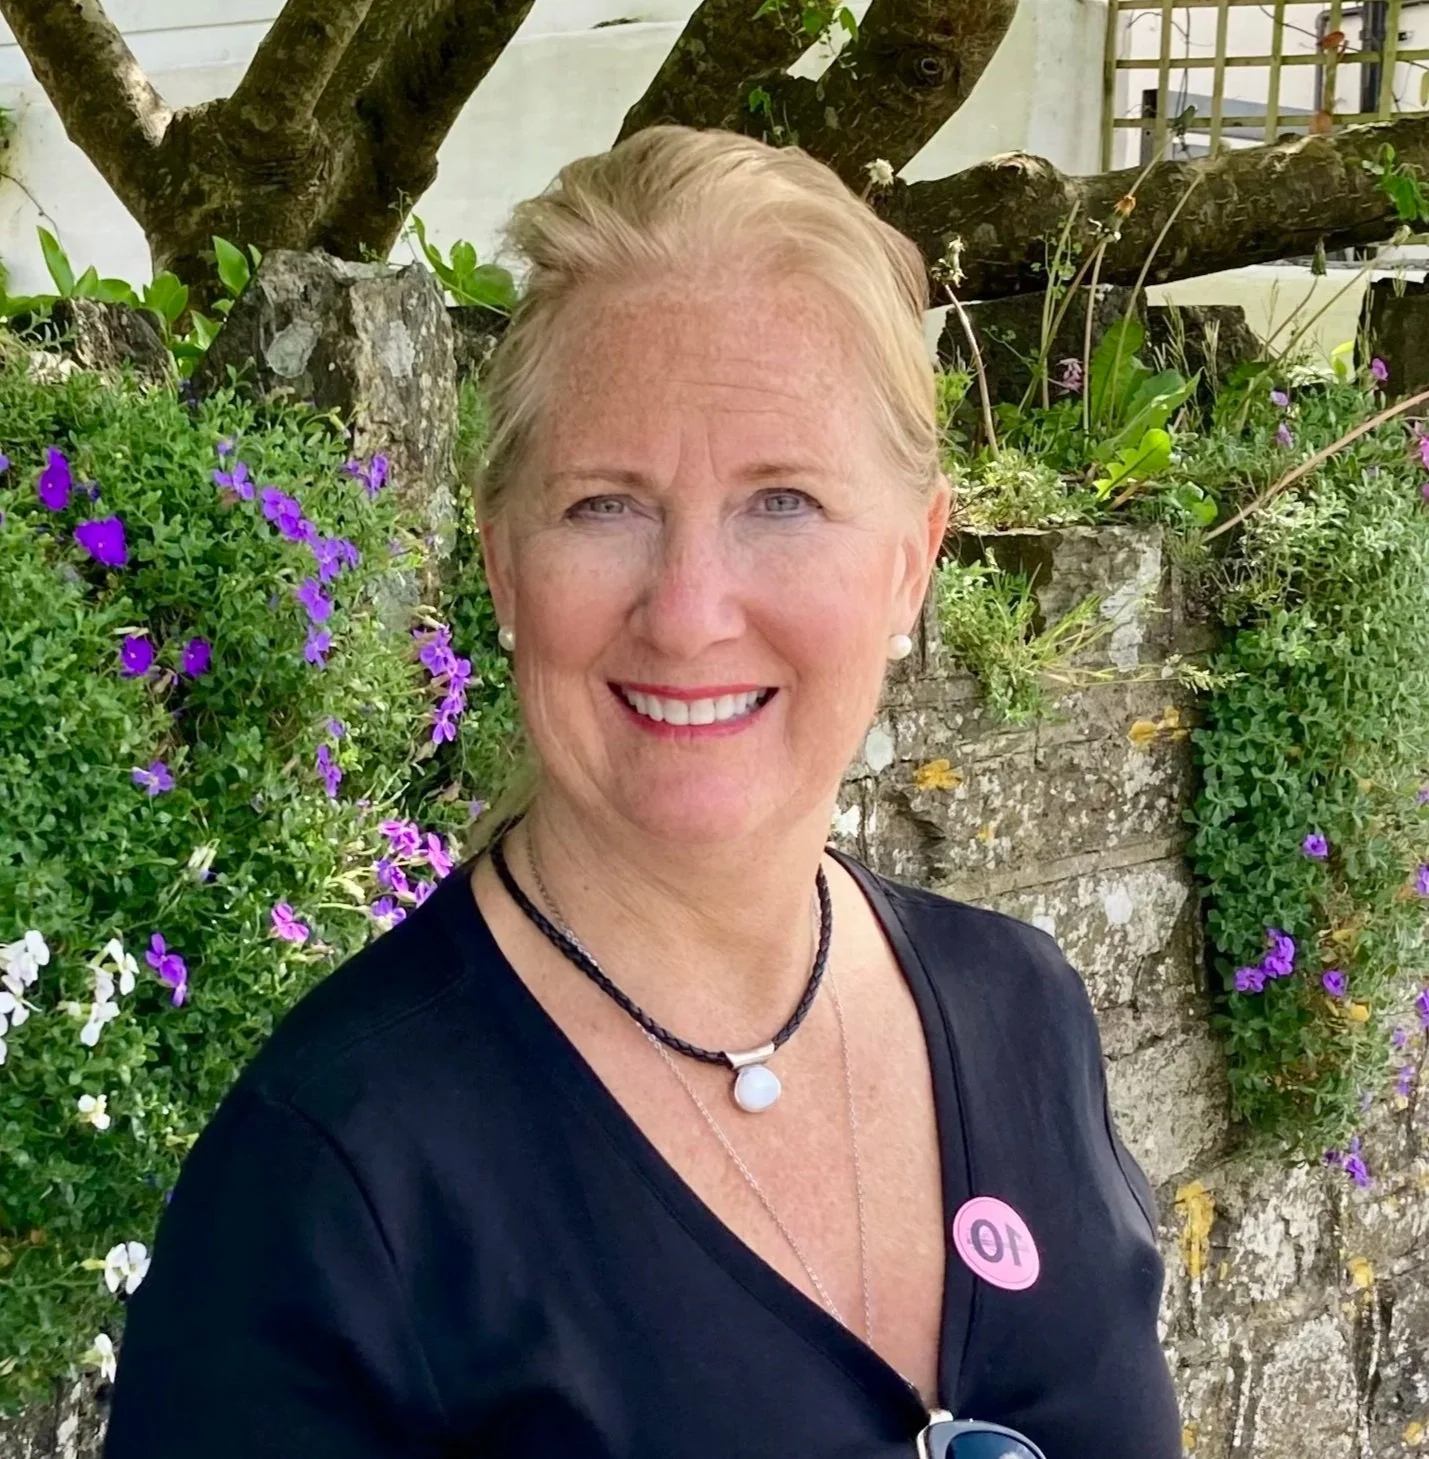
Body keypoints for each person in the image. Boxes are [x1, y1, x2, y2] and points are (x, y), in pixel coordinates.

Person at [104, 126, 1181, 1459]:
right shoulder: (336, 1183)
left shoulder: (1022, 1010)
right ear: (502, 566)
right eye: (605, 505)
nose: (688, 614)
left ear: (913, 562)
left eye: (781, 499)